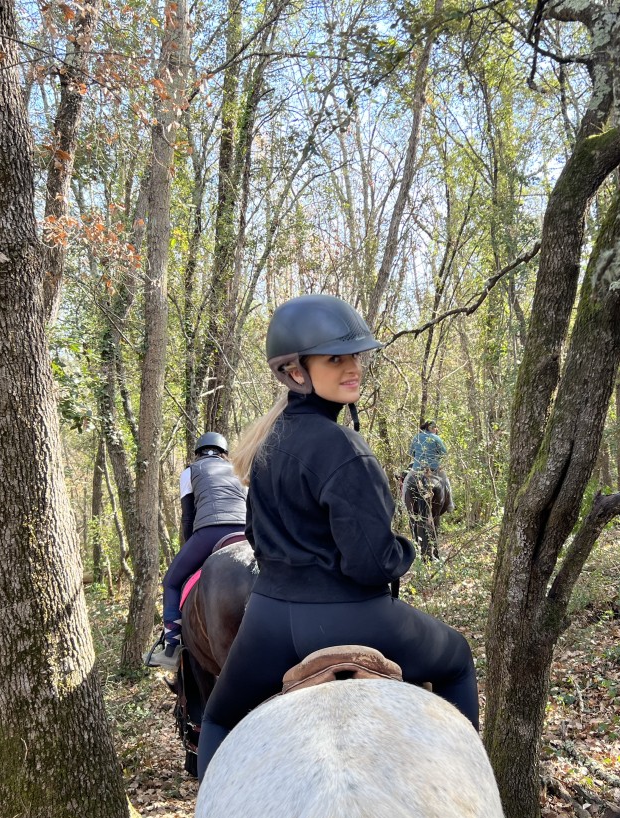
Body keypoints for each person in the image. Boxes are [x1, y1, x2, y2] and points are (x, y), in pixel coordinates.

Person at [196, 293, 479, 778]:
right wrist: (403, 551)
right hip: (350, 615)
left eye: (355, 356)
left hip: (269, 620)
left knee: (218, 719)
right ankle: (468, 786)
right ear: (295, 371)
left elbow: (255, 536)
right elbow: (370, 563)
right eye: (334, 359)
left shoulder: (266, 445)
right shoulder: (347, 451)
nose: (353, 367)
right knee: (457, 660)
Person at [152, 431, 248, 671]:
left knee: (171, 582)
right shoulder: (239, 470)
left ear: (198, 452)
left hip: (209, 532)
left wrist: (190, 546)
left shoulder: (190, 471)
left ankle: (171, 646)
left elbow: (188, 517)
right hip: (247, 532)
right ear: (224, 453)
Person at [404, 419, 453, 512]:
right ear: (430, 428)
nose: (436, 429)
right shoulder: (436, 438)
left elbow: (411, 453)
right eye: (434, 428)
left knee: (406, 481)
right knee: (446, 480)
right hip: (434, 468)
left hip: (417, 468)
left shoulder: (416, 437)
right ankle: (450, 504)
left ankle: (404, 504)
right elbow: (444, 453)